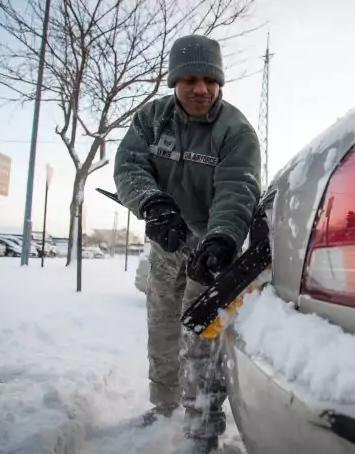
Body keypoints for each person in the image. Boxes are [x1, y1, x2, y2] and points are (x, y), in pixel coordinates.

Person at [113, 34, 261, 453]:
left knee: (201, 341)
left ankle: (202, 430)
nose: (201, 89)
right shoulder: (152, 119)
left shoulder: (236, 131)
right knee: (161, 329)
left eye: (210, 80)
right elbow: (129, 166)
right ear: (175, 81)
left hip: (211, 252)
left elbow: (237, 190)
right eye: (191, 79)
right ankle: (164, 407)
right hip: (166, 246)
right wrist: (154, 205)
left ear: (220, 83)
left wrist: (221, 240)